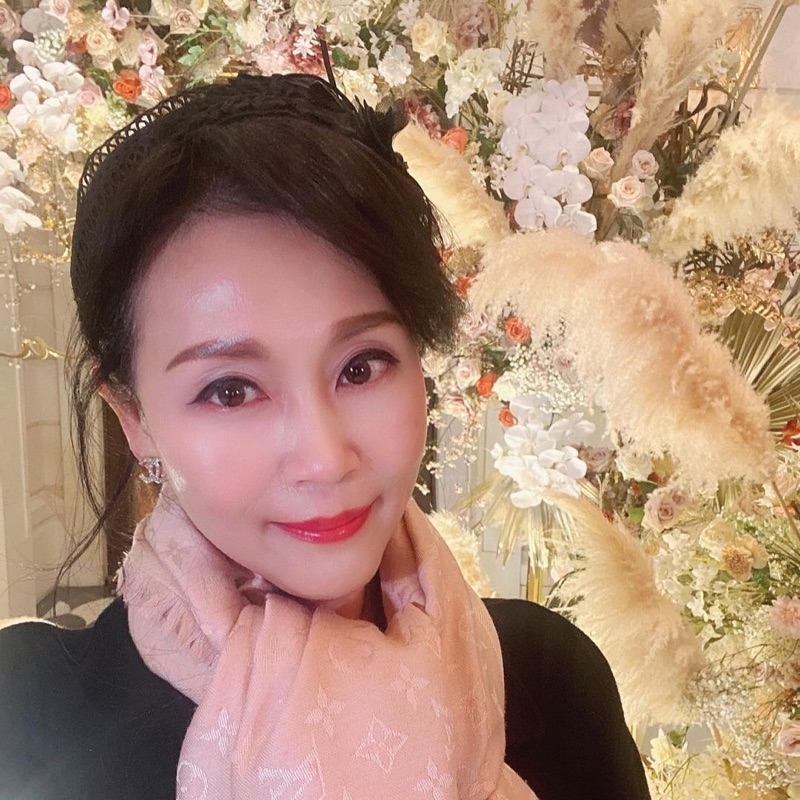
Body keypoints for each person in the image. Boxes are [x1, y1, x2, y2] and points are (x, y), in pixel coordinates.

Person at [0, 73, 650, 800]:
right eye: (230, 390)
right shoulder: (27, 719)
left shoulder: (548, 680)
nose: (324, 457)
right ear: (134, 418)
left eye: (361, 367)